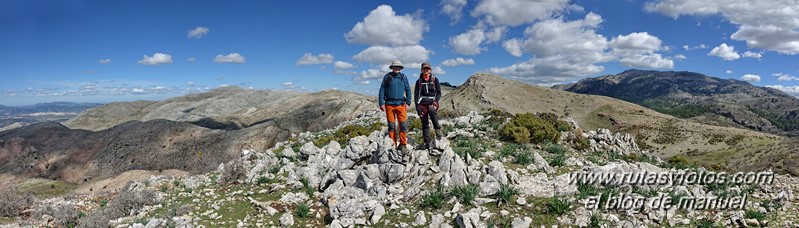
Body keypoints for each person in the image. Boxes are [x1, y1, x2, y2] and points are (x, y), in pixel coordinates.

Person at [379, 60, 412, 154]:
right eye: (395, 67)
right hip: (389, 105)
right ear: (392, 68)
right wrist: (381, 103)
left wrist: (408, 102)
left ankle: (403, 144)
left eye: (398, 67)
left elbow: (408, 90)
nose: (397, 68)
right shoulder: (387, 77)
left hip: (401, 105)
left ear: (400, 68)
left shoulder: (403, 77)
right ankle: (393, 145)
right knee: (391, 126)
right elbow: (382, 90)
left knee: (403, 125)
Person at [413, 62, 442, 150]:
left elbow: (439, 92)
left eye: (427, 69)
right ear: (421, 70)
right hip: (422, 103)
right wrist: (417, 106)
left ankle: (437, 129)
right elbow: (416, 94)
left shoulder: (434, 79)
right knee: (424, 123)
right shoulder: (419, 81)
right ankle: (427, 142)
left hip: (432, 102)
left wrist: (435, 101)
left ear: (430, 70)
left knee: (431, 111)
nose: (426, 70)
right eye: (424, 69)